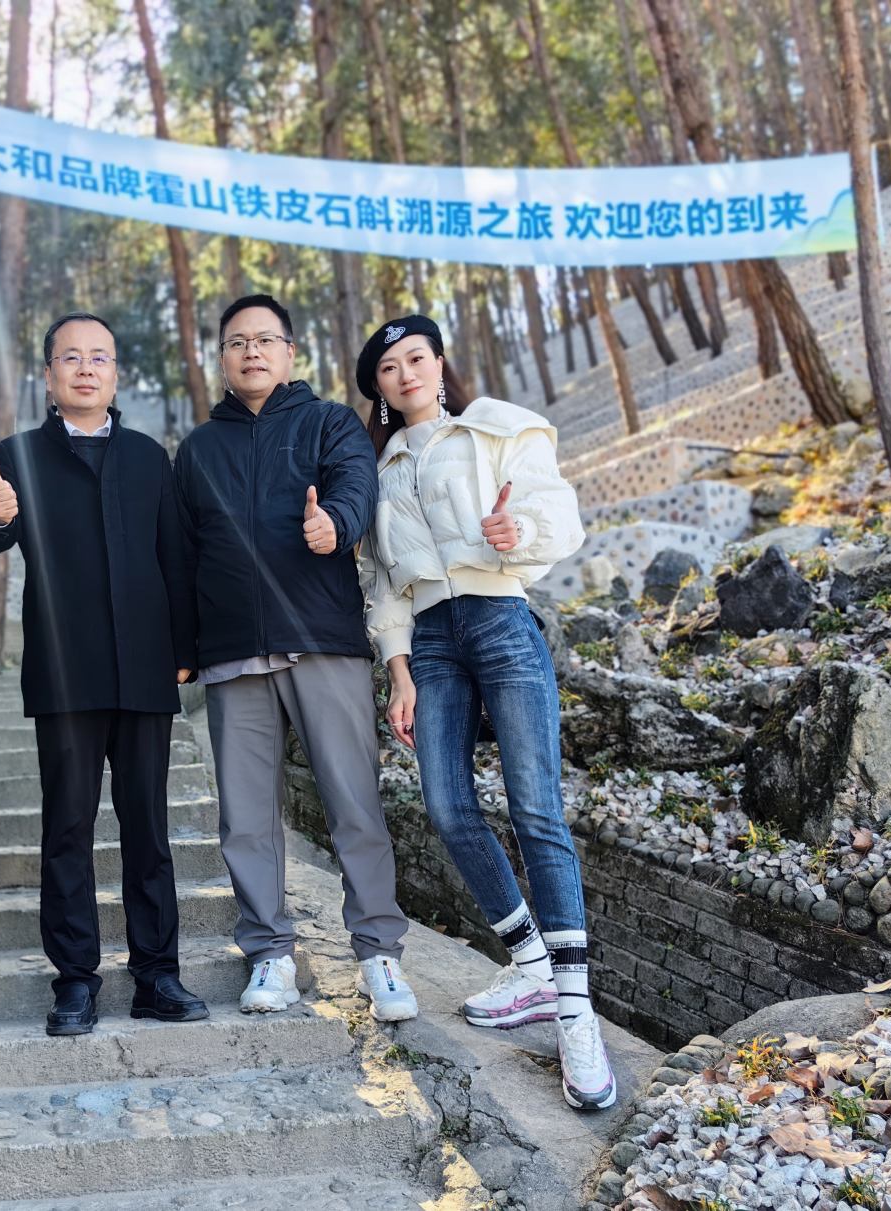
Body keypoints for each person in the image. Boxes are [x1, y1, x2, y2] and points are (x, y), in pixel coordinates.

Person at [354, 313, 614, 1110]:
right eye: (390, 367)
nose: (406, 373)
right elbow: (383, 586)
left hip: (501, 616)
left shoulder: (495, 429)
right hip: (431, 639)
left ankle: (576, 1013)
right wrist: (398, 673)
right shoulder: (378, 470)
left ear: (440, 364)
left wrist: (516, 528)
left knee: (537, 809)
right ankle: (530, 965)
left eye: (417, 357)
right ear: (379, 388)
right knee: (445, 805)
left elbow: (559, 516)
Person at [173, 293, 415, 1022]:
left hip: (321, 641)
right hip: (232, 654)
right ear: (221, 358)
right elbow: (180, 554)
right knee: (246, 817)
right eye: (237, 342)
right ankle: (269, 953)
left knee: (353, 803)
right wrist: (183, 645)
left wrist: (333, 524)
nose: (251, 351)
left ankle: (378, 953)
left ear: (288, 351)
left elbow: (357, 488)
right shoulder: (197, 450)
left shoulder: (329, 422)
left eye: (264, 340)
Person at [0, 311, 205, 1037]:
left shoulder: (148, 457)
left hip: (143, 666)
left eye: (98, 357)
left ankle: (157, 975)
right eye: (69, 357)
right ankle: (75, 980)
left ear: (115, 374)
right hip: (65, 670)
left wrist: (184, 646)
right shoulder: (16, 455)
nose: (84, 368)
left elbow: (174, 556)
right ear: (48, 375)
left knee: (149, 830)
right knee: (67, 830)